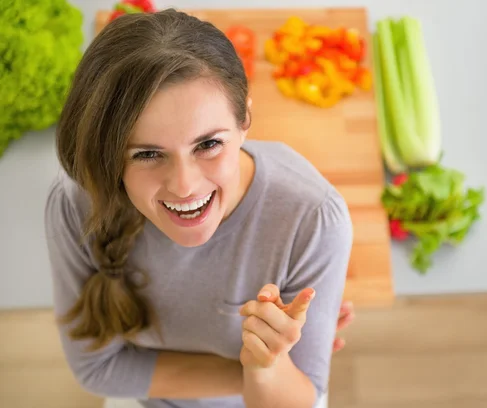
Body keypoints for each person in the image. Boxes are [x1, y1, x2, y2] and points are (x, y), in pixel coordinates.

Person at [44, 8, 355, 408]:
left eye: (208, 144)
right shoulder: (77, 201)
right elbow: (97, 370)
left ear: (245, 117)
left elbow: (297, 399)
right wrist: (251, 365)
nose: (185, 186)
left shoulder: (312, 217)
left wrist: (267, 365)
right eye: (148, 154)